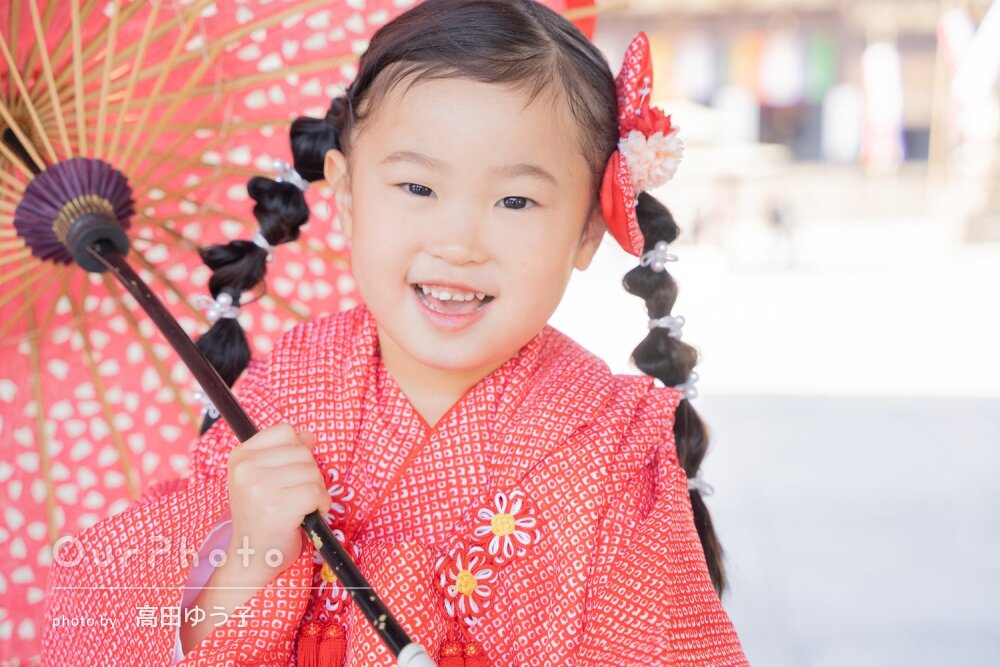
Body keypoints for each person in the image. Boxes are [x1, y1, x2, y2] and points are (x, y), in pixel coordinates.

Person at [42, 1, 749, 665]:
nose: (458, 241)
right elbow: (131, 635)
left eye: (515, 199)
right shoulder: (285, 392)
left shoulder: (610, 444)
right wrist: (253, 547)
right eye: (417, 188)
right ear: (346, 195)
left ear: (588, 230)